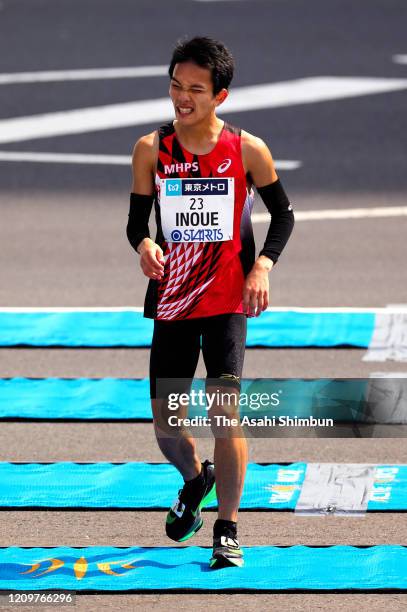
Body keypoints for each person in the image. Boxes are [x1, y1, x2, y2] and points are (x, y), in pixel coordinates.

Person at [127, 36, 294, 569]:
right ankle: (196, 477)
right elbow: (136, 222)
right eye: (176, 85)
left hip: (226, 307)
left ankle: (227, 528)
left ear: (220, 95)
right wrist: (145, 244)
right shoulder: (151, 149)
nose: (182, 97)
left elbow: (283, 216)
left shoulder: (247, 150)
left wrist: (262, 266)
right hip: (174, 304)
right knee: (166, 427)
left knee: (227, 414)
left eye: (195, 89)